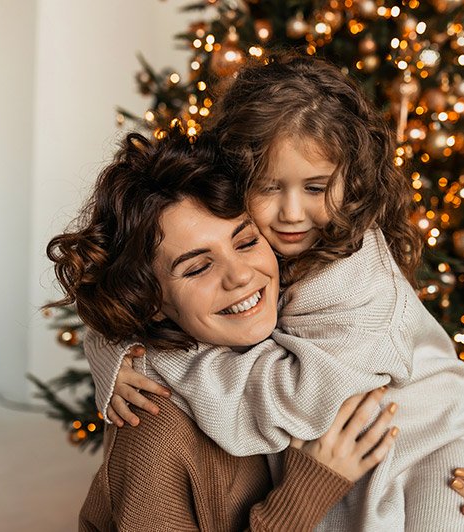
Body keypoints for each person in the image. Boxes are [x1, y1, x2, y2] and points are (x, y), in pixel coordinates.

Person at [88, 54, 464, 532]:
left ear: (351, 184)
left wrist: (153, 357)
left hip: (432, 462)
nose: (291, 215)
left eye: (315, 187)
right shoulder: (155, 432)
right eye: (269, 188)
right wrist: (113, 347)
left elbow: (297, 398)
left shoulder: (355, 280)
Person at [48, 129, 400, 531]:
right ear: (150, 301)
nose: (241, 275)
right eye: (198, 267)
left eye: (246, 242)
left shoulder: (294, 325)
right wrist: (307, 490)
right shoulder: (153, 440)